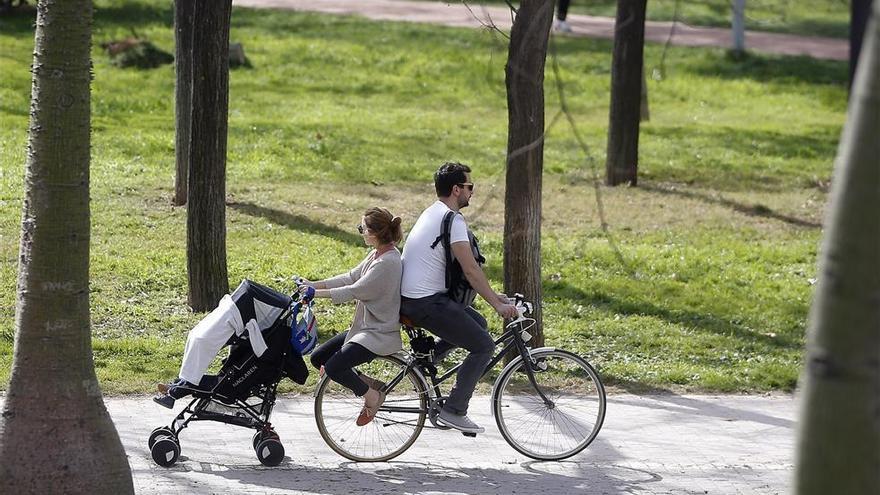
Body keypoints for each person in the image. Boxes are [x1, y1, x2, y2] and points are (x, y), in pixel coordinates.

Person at [400, 162, 517, 434]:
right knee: (484, 346)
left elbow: (462, 273)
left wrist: (494, 295)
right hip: (425, 303)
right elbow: (470, 269)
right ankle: (455, 410)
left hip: (418, 298)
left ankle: (426, 361)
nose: (471, 193)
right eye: (469, 187)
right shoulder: (453, 220)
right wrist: (498, 305)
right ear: (456, 189)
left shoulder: (433, 212)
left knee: (478, 324)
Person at [305, 207, 404, 426]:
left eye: (362, 228)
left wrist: (315, 294)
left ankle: (372, 397)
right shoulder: (378, 254)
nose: (360, 232)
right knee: (318, 358)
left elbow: (355, 290)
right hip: (365, 328)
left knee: (333, 367)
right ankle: (370, 384)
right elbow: (350, 277)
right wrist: (312, 285)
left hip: (379, 332)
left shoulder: (387, 263)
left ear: (375, 233)